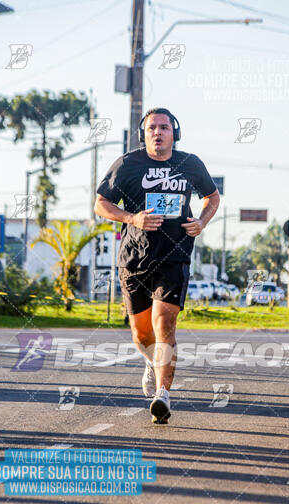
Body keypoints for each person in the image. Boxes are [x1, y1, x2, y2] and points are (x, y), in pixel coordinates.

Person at [94, 108, 220, 423]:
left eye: (164, 127)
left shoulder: (189, 164)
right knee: (141, 333)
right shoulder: (127, 164)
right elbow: (101, 203)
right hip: (134, 258)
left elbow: (212, 196)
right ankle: (151, 361)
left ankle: (162, 395)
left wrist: (201, 222)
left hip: (174, 256)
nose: (158, 132)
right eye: (152, 128)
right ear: (144, 133)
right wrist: (130, 217)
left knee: (164, 324)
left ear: (174, 132)